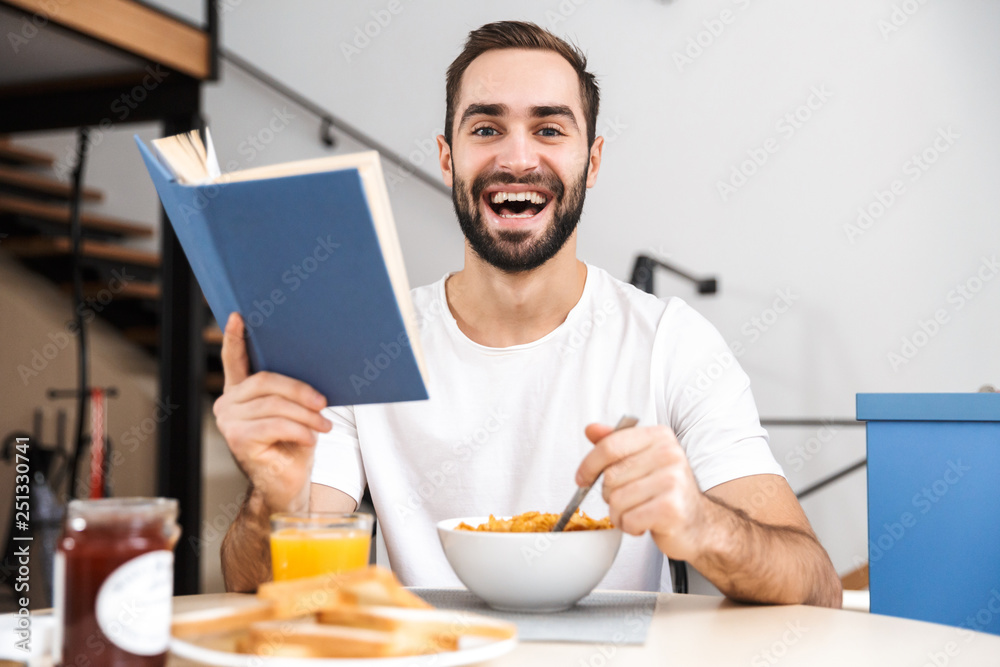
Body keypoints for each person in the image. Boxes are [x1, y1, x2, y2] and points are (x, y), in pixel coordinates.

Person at [216, 20, 842, 608]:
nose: (517, 159)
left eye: (549, 129)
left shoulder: (671, 343)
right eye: (486, 129)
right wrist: (271, 497)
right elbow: (258, 590)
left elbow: (816, 587)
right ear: (446, 157)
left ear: (591, 161)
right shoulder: (365, 344)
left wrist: (703, 525)